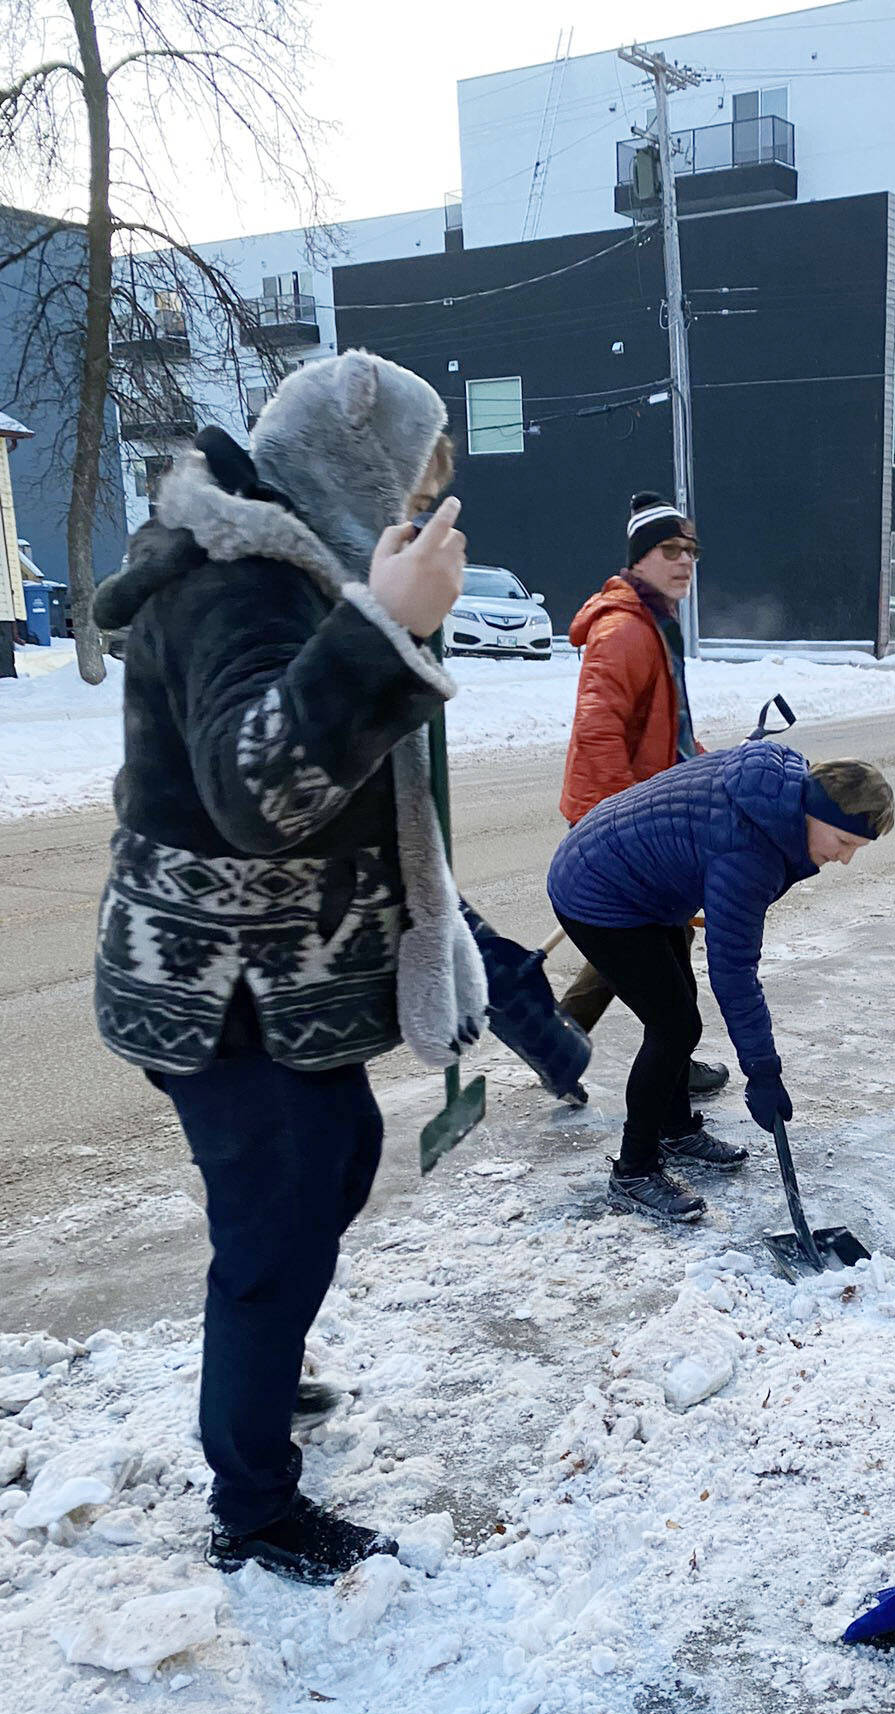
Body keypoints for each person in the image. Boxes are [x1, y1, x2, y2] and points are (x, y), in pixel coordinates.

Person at [91, 350, 485, 1585]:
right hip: (219, 990)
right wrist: (384, 628)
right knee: (275, 1227)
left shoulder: (294, 566)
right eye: (410, 484)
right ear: (354, 463)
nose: (415, 511)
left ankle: (257, 1367)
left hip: (270, 986)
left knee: (333, 1166)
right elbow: (258, 795)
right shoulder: (237, 579)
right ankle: (255, 1506)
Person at [547, 741, 894, 1222]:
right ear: (814, 813)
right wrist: (762, 1070)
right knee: (673, 1026)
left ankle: (674, 1128)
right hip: (598, 890)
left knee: (679, 1007)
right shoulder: (749, 852)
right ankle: (634, 1171)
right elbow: (734, 972)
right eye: (844, 842)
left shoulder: (775, 785)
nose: (845, 858)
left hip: (639, 878)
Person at [557, 490, 728, 1097]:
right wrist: (622, 825)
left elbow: (667, 727)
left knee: (649, 939)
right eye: (670, 550)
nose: (684, 562)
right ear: (639, 557)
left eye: (691, 551)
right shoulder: (625, 630)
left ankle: (560, 1038)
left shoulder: (656, 621)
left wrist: (706, 766)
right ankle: (661, 1064)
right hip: (617, 816)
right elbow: (598, 730)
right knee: (650, 943)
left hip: (642, 809)